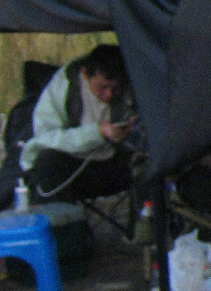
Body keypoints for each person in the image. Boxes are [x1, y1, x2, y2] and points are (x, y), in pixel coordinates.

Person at [18, 44, 134, 204]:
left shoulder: (132, 86)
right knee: (47, 160)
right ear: (85, 74)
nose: (109, 95)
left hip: (115, 165)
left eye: (116, 88)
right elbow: (45, 138)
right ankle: (66, 218)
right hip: (74, 167)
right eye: (102, 87)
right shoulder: (65, 85)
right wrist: (97, 133)